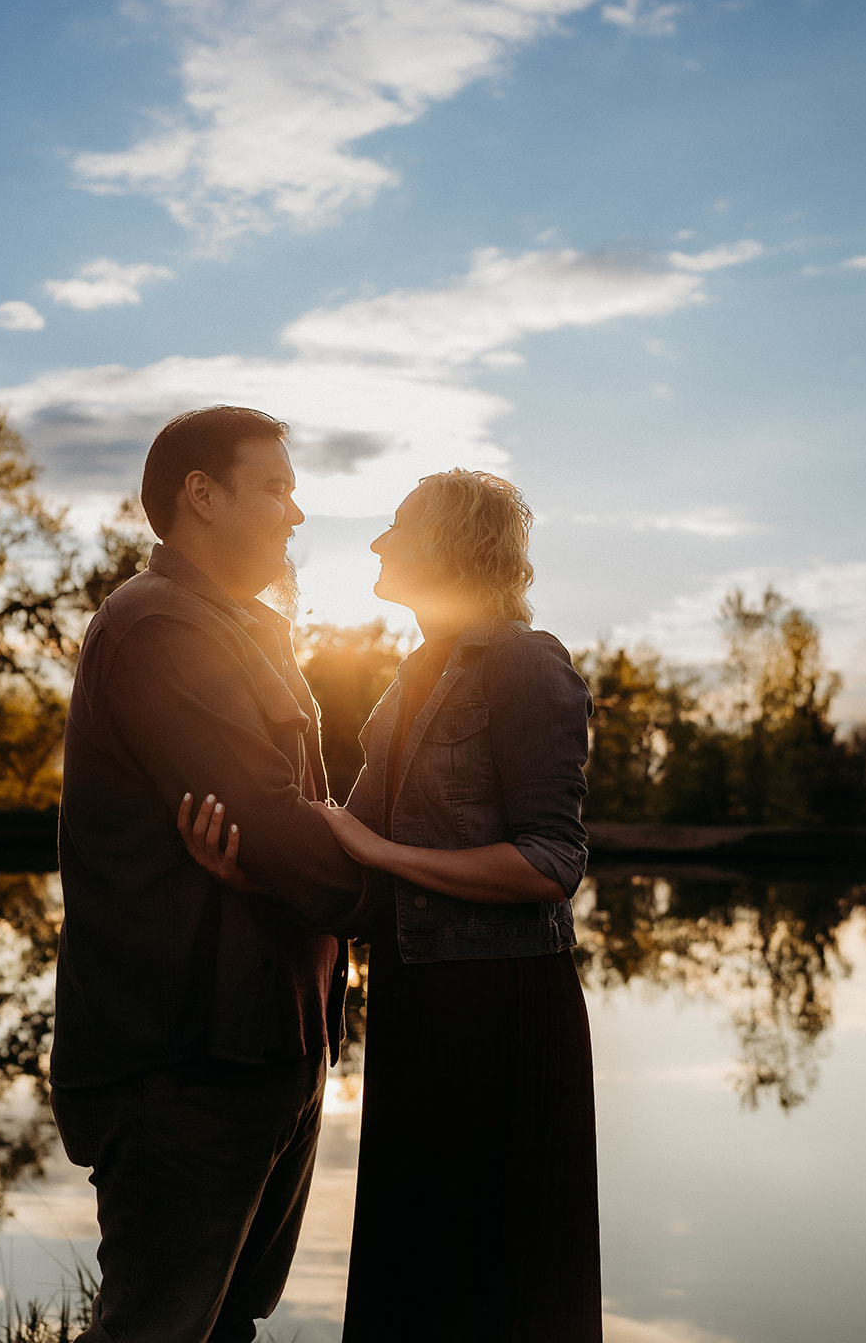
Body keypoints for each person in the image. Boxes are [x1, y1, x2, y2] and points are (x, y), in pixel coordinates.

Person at [184, 468, 602, 1343]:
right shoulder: (411, 678)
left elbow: (550, 861)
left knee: (505, 1284)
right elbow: (352, 863)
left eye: (397, 526)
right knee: (414, 1272)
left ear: (449, 543)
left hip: (504, 1013)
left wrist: (381, 851)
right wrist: (248, 870)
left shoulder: (528, 663)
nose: (376, 542)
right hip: (419, 1004)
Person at [50, 405, 367, 1343]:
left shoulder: (249, 630)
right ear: (200, 496)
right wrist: (419, 889)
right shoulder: (156, 629)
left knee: (225, 1330)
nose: (295, 513)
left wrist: (305, 857)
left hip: (274, 1048)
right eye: (274, 487)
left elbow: (292, 823)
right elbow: (273, 828)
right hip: (183, 1061)